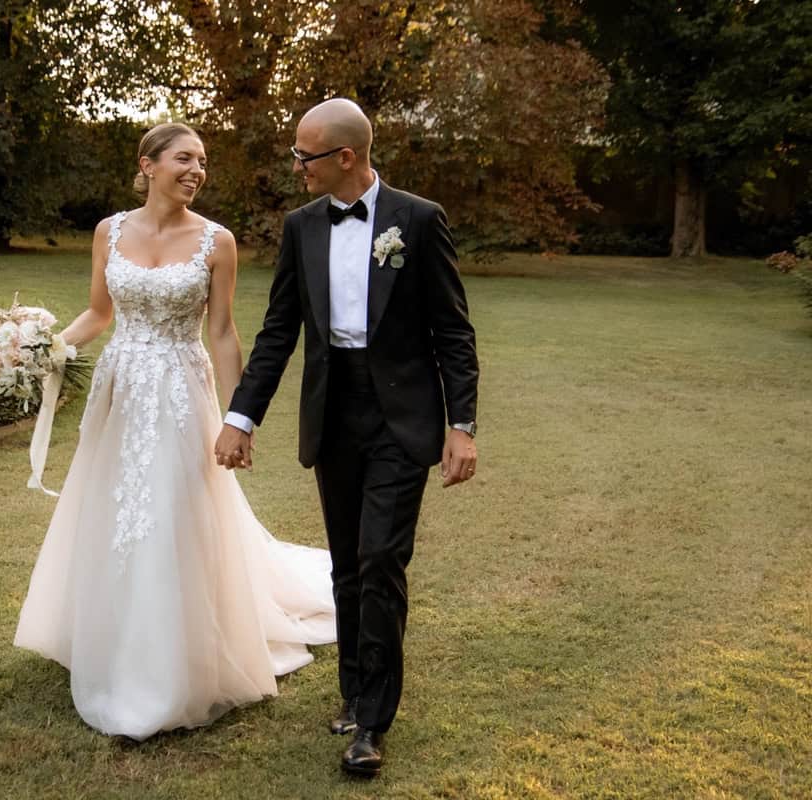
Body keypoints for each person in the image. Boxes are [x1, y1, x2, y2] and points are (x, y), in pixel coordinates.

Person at [13, 123, 336, 741]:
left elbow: (223, 332)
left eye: (203, 161)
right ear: (149, 165)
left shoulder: (217, 241)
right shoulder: (108, 231)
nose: (197, 170)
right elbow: (99, 313)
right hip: (119, 392)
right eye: (185, 158)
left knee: (171, 511)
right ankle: (109, 633)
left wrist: (240, 417)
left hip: (182, 394)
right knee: (115, 509)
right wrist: (45, 346)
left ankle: (173, 655)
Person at [215, 98, 480, 777]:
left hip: (402, 416)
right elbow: (279, 330)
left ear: (345, 156)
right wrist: (241, 417)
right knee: (346, 565)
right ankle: (354, 691)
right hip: (332, 411)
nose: (295, 167)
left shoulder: (418, 220)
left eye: (304, 156)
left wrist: (461, 426)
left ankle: (372, 722)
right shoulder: (301, 226)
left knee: (380, 558)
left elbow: (453, 333)